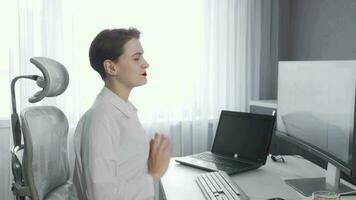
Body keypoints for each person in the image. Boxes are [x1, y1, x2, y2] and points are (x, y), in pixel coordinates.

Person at [72, 28, 171, 200]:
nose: (145, 63)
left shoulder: (120, 110)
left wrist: (146, 164)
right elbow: (103, 196)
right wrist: (154, 174)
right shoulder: (101, 118)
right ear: (111, 67)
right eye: (136, 58)